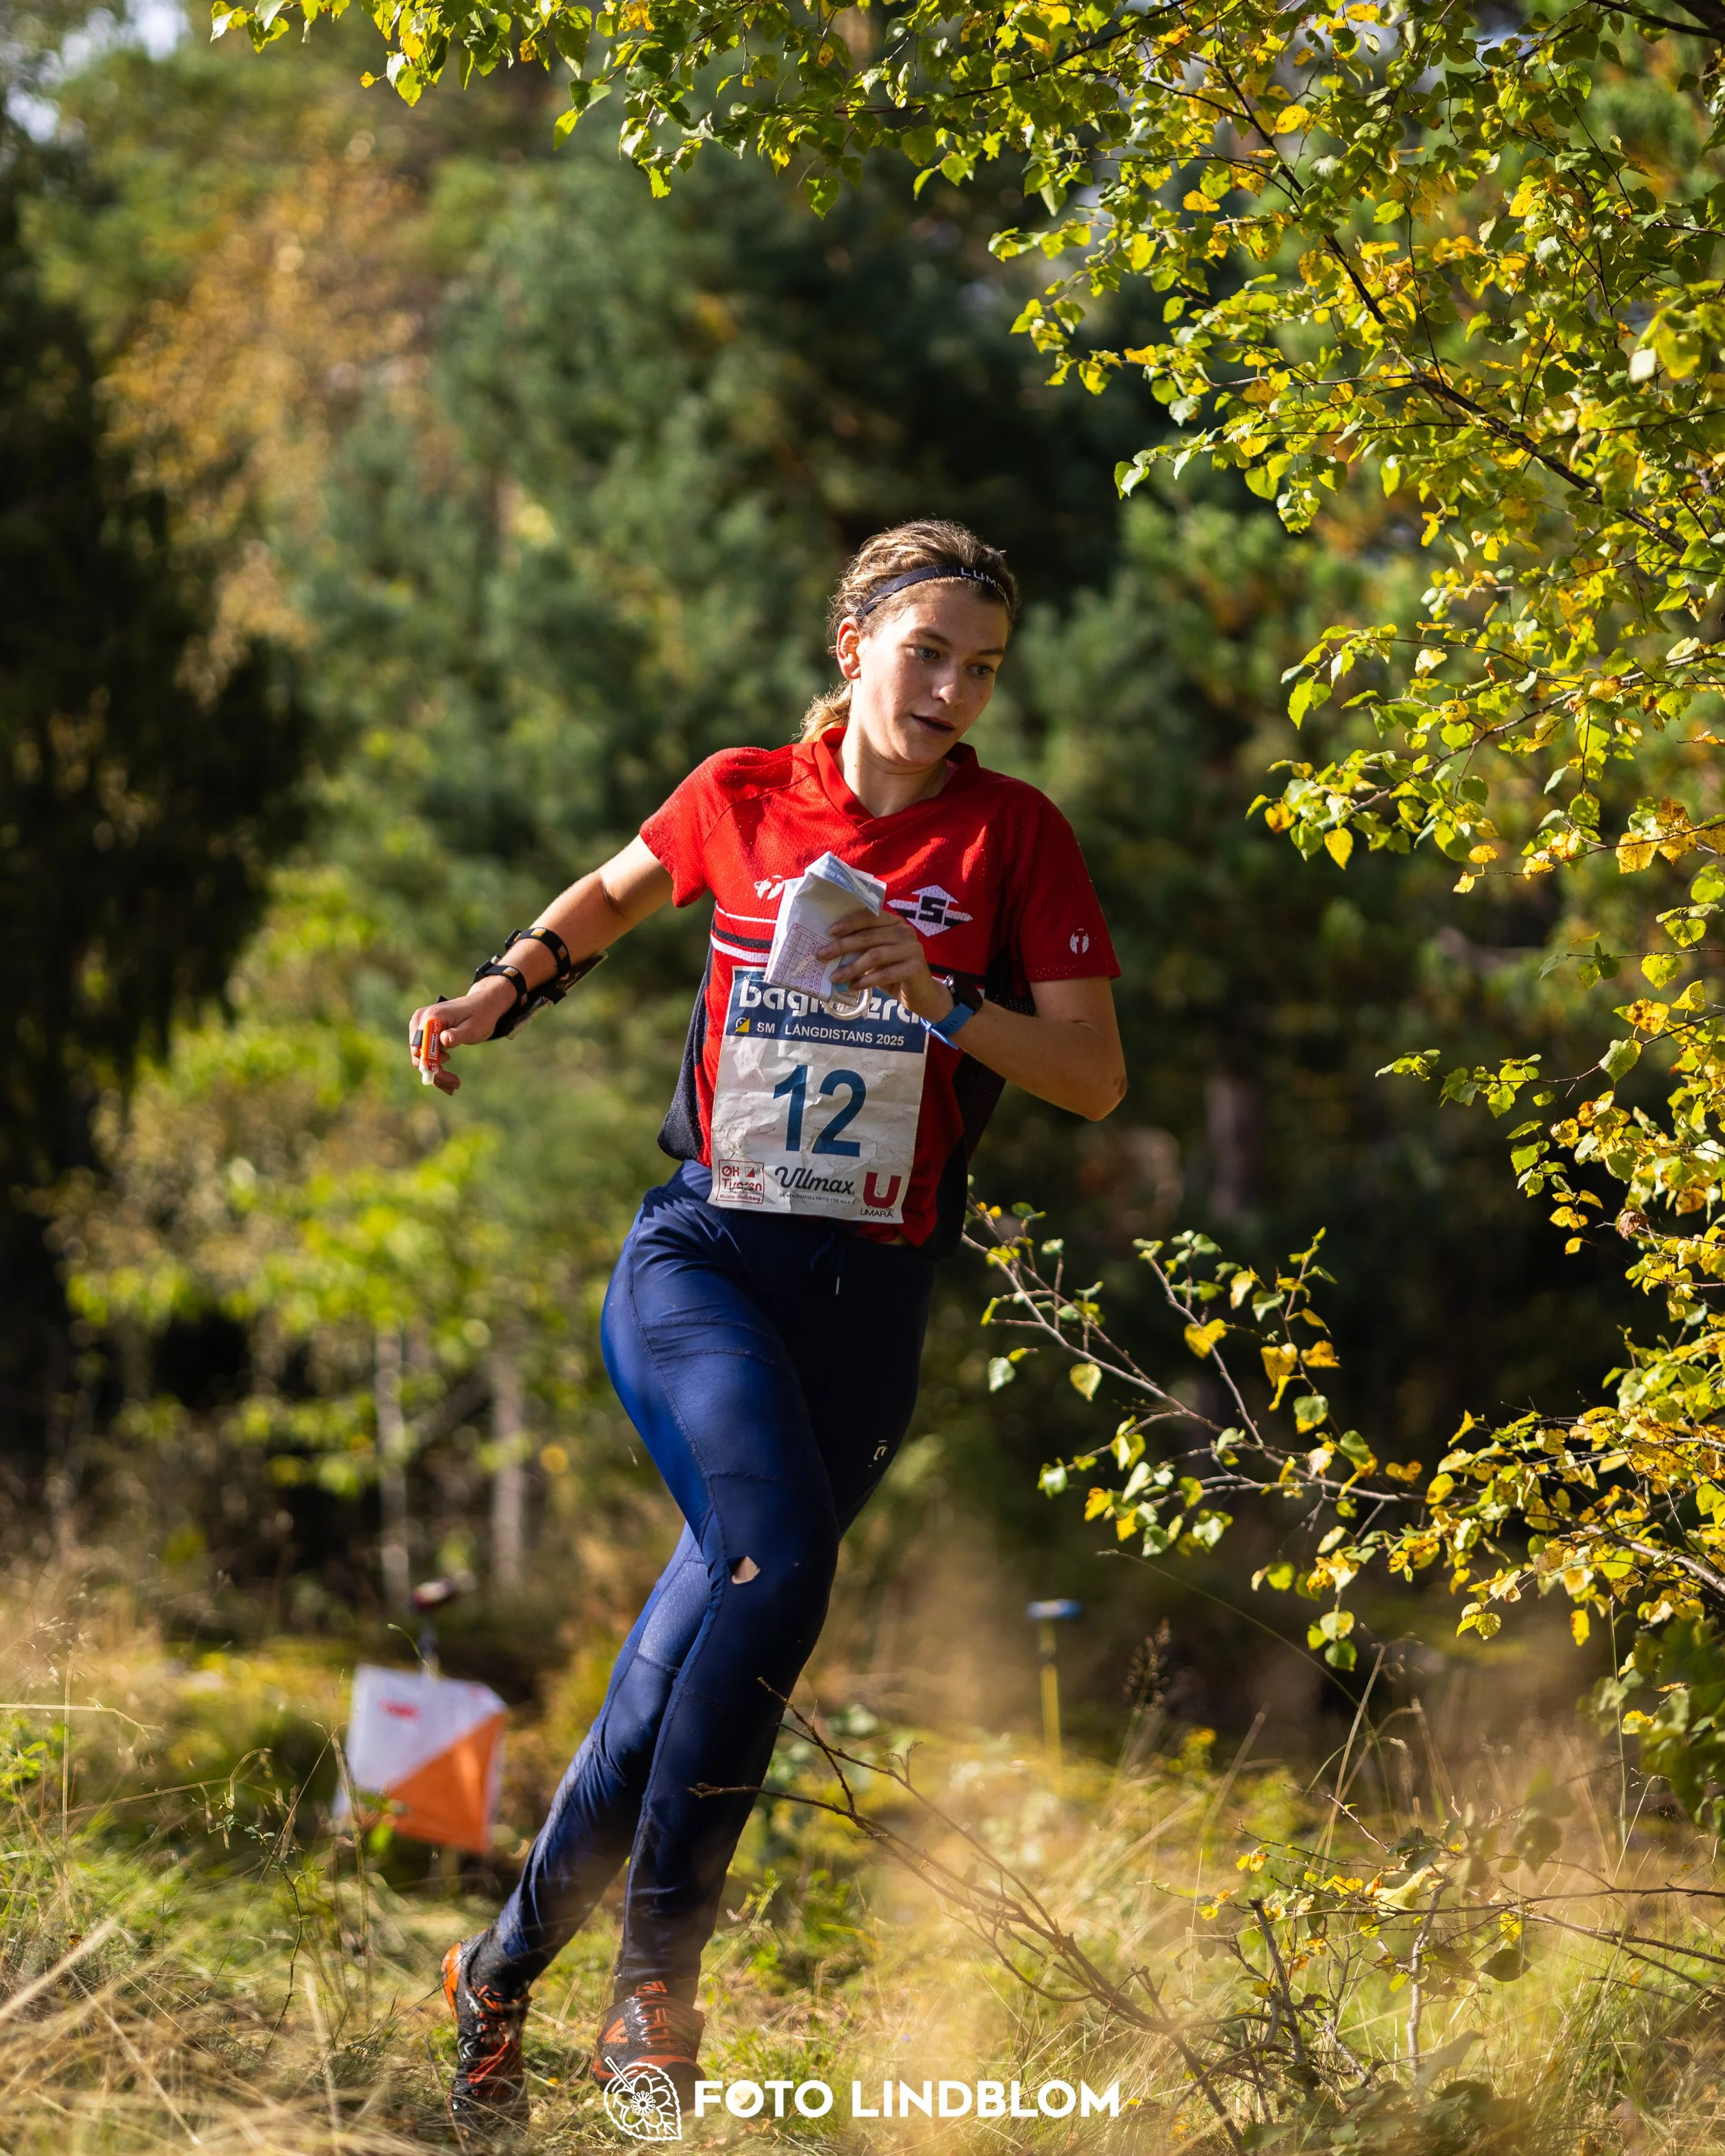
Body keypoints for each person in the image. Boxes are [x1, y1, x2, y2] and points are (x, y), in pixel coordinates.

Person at [410, 518, 1125, 2126]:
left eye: (983, 669)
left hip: (869, 1294)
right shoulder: (743, 791)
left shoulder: (1013, 838)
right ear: (852, 644)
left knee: (676, 1668)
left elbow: (1091, 1074)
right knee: (780, 1564)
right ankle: (656, 1987)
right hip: (706, 1259)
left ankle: (496, 1971)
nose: (952, 691)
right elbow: (612, 891)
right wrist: (493, 989)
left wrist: (937, 997)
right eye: (926, 652)